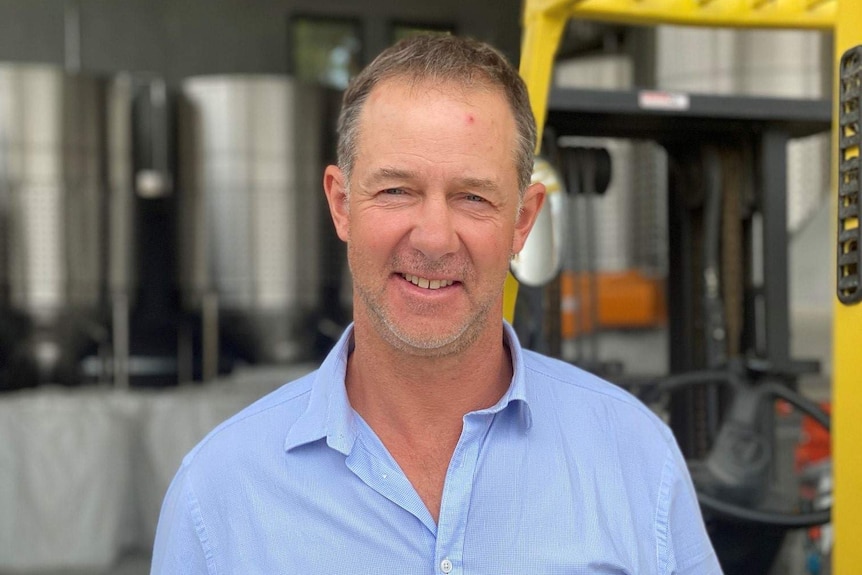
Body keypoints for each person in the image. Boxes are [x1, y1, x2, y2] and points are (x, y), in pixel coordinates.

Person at [151, 34, 722, 574]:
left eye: (472, 197)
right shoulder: (219, 495)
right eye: (397, 190)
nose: (433, 238)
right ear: (342, 204)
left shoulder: (635, 456)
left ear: (522, 221)